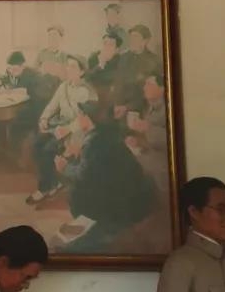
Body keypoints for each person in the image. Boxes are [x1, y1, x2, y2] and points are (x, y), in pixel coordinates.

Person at [55, 101, 157, 244]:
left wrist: (64, 167)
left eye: (80, 115)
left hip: (119, 200)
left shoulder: (93, 141)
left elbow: (84, 175)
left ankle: (96, 228)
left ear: (88, 117)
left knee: (75, 191)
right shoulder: (107, 134)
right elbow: (96, 168)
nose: (78, 119)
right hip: (130, 191)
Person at [29, 54, 93, 204]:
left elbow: (85, 119)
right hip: (60, 127)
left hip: (77, 131)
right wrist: (44, 119)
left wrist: (67, 129)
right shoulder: (63, 86)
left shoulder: (85, 92)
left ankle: (45, 188)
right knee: (37, 144)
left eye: (73, 67)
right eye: (68, 66)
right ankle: (54, 182)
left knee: (48, 149)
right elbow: (52, 106)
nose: (69, 69)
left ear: (82, 71)